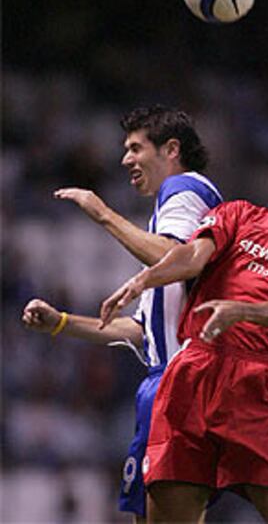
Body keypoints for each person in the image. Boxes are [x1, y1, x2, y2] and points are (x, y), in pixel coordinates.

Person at [99, 139, 268, 523]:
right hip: (191, 374)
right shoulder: (241, 214)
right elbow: (191, 257)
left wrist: (241, 311)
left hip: (258, 386)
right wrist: (145, 280)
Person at [22, 105, 223, 523]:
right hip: (168, 383)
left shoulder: (184, 189)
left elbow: (177, 257)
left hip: (178, 384)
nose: (125, 160)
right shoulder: (172, 209)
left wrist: (102, 213)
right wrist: (60, 322)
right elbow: (140, 329)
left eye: (135, 148)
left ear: (171, 149)